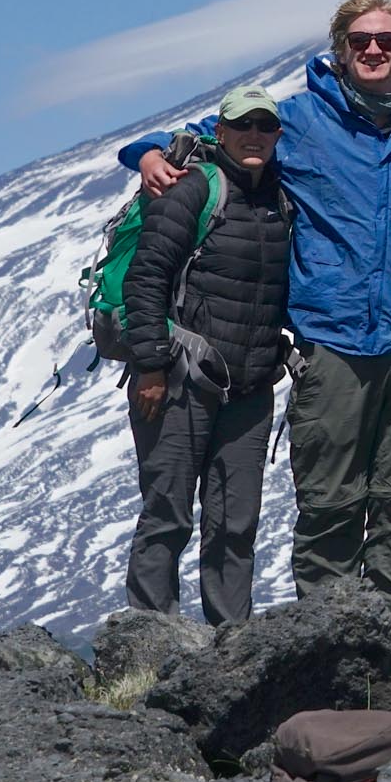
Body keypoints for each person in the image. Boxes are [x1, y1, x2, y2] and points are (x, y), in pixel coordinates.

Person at [122, 0, 391, 644]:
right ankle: (328, 646)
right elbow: (209, 141)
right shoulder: (297, 122)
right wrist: (143, 151)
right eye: (359, 40)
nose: (372, 50)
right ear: (339, 50)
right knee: (331, 501)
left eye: (386, 41)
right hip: (333, 343)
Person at [119, 85, 293, 626]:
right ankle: (150, 640)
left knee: (235, 523)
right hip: (179, 378)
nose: (255, 136)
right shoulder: (194, 189)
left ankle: (231, 644)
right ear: (220, 132)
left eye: (266, 127)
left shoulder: (281, 198)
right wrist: (149, 365)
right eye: (244, 126)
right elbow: (146, 278)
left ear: (277, 135)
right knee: (167, 512)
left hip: (251, 386)